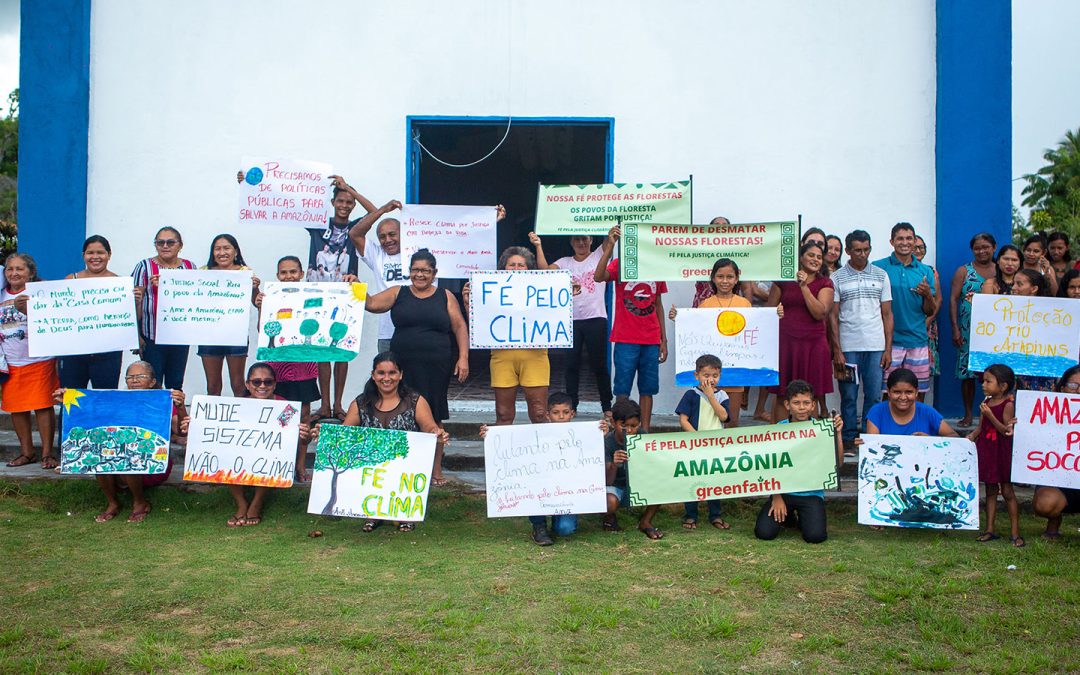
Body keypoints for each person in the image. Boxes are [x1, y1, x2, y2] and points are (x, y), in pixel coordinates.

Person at [365, 249, 469, 486]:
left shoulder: (445, 296)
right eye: (415, 270)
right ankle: (401, 468)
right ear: (409, 271)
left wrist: (463, 358)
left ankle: (436, 471)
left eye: (425, 271)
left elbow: (460, 327)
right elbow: (371, 304)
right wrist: (355, 287)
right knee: (400, 412)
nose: (419, 275)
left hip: (436, 365)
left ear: (434, 273)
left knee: (434, 414)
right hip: (403, 367)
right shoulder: (397, 293)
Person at [53, 360, 185, 523]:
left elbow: (180, 431)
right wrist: (69, 399)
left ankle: (139, 503)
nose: (134, 380)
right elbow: (89, 412)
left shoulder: (162, 401)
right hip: (117, 459)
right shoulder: (116, 400)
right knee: (100, 454)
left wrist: (181, 407)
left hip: (153, 463)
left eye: (140, 376)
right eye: (130, 377)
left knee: (128, 455)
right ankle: (112, 503)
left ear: (152, 382)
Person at [331, 351, 449, 532]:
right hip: (372, 468)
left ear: (401, 375)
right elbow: (345, 433)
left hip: (405, 469)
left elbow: (429, 427)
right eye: (381, 373)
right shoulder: (361, 403)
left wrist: (437, 433)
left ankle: (404, 513)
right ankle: (372, 513)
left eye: (392, 373)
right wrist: (325, 435)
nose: (387, 378)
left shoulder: (415, 401)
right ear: (373, 375)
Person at [181, 362, 310, 526]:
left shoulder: (286, 409)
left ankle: (257, 503)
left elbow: (287, 442)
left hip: (267, 457)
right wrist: (195, 426)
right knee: (229, 452)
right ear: (248, 385)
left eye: (268, 382)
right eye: (256, 382)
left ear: (274, 384)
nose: (262, 386)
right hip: (243, 456)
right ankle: (241, 504)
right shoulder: (238, 407)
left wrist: (303, 436)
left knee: (270, 454)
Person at [478, 391, 608, 545]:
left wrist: (601, 435)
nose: (561, 417)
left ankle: (558, 518)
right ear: (547, 415)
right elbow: (511, 443)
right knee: (533, 485)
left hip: (567, 493)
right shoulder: (536, 435)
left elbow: (592, 454)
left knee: (565, 529)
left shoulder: (583, 435)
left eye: (565, 412)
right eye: (555, 413)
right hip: (542, 490)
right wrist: (491, 435)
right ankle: (538, 524)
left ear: (572, 414)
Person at [669, 258, 784, 427]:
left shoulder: (744, 304)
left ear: (737, 279)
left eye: (730, 277)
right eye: (720, 276)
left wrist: (775, 316)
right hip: (710, 376)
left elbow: (756, 329)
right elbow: (695, 330)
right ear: (713, 279)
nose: (725, 281)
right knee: (708, 420)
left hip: (735, 375)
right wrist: (677, 319)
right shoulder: (705, 305)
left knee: (732, 420)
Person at [254, 256, 333, 482]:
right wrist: (262, 307)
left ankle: (300, 465)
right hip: (276, 372)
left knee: (303, 419)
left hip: (303, 371)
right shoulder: (270, 298)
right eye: (283, 272)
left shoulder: (313, 297)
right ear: (277, 275)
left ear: (301, 274)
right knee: (278, 418)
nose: (288, 276)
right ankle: (276, 463)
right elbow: (264, 329)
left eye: (292, 272)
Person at [464, 246, 550, 425]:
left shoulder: (543, 289)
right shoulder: (493, 290)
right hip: (502, 357)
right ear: (503, 268)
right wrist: (468, 303)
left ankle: (544, 452)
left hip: (535, 357)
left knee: (539, 413)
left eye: (521, 265)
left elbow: (555, 314)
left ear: (529, 269)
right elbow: (478, 324)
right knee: (503, 414)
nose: (517, 269)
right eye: (512, 265)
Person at [530, 231, 612, 415]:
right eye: (577, 239)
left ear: (591, 240)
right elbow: (544, 272)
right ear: (571, 242)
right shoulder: (565, 262)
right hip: (571, 320)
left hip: (596, 318)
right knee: (571, 365)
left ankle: (607, 406)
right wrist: (538, 245)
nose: (581, 242)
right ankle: (572, 406)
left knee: (599, 365)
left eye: (584, 238)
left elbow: (610, 237)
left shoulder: (599, 254)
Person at [594, 225, 667, 431]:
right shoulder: (620, 264)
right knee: (622, 389)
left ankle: (644, 431)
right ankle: (621, 430)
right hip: (626, 337)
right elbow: (598, 277)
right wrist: (610, 246)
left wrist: (664, 339)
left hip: (651, 339)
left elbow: (658, 303)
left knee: (648, 389)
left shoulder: (656, 266)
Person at [754, 380, 843, 544]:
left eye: (806, 403)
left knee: (815, 537)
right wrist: (777, 497)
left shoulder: (821, 429)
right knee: (764, 533)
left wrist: (837, 434)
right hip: (784, 492)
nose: (801, 407)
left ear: (813, 405)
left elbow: (839, 463)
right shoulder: (779, 430)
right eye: (796, 403)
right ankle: (788, 517)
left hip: (811, 494)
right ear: (787, 405)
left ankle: (803, 517)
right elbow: (770, 466)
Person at [830, 230, 893, 450]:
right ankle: (847, 439)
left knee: (874, 395)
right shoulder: (836, 277)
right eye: (857, 250)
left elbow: (887, 314)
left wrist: (888, 348)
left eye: (866, 249)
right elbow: (833, 316)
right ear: (847, 251)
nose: (862, 254)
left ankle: (869, 438)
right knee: (848, 395)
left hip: (876, 346)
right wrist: (837, 350)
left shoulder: (881, 275)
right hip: (848, 347)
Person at [1, 253, 60, 469]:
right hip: (10, 361)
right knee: (16, 407)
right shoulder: (0, 294)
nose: (14, 273)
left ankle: (47, 454)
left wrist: (29, 308)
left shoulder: (41, 292)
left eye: (20, 269)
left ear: (31, 272)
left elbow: (54, 320)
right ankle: (26, 452)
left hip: (39, 359)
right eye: (10, 269)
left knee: (43, 406)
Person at [767, 243, 834, 421]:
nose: (815, 260)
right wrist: (776, 312)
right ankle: (780, 436)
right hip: (786, 345)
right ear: (801, 258)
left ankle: (808, 440)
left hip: (813, 346)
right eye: (811, 255)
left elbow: (820, 312)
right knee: (783, 394)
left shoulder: (825, 283)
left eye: (819, 257)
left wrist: (804, 287)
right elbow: (768, 311)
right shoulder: (783, 281)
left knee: (808, 395)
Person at [873, 223, 936, 400]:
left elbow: (930, 310)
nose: (905, 242)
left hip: (917, 340)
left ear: (914, 241)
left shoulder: (925, 271)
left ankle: (916, 428)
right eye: (900, 238)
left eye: (909, 238)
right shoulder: (878, 268)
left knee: (917, 392)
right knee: (888, 392)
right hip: (888, 342)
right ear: (892, 241)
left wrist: (927, 295)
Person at [131, 226, 197, 390]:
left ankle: (174, 415)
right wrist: (135, 336)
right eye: (160, 242)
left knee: (176, 383)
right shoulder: (144, 267)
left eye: (170, 242)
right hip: (151, 337)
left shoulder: (190, 267)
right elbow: (132, 304)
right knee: (152, 383)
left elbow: (195, 300)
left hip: (180, 337)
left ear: (180, 245)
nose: (165, 246)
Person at [966, 364, 1022, 547]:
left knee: (1007, 491)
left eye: (988, 381)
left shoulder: (1008, 405)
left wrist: (990, 415)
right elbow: (982, 428)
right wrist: (972, 436)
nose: (983, 384)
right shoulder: (986, 402)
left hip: (1001, 451)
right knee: (990, 489)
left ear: (1003, 386)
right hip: (988, 449)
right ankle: (990, 529)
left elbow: (1005, 430)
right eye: (983, 380)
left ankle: (1015, 533)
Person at [59, 236, 125, 390]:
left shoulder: (120, 284)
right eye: (90, 253)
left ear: (109, 255)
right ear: (83, 255)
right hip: (74, 350)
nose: (95, 257)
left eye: (100, 253)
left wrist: (136, 300)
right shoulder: (70, 280)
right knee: (72, 398)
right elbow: (60, 314)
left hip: (108, 352)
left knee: (105, 399)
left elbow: (127, 319)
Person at [197, 234, 259, 397]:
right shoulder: (203, 272)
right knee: (212, 385)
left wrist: (255, 289)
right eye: (217, 249)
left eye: (226, 248)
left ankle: (240, 419)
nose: (222, 252)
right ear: (212, 252)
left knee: (238, 384)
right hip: (209, 334)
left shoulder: (245, 272)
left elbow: (255, 302)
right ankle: (212, 420)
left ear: (235, 252)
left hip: (235, 334)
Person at [676, 354, 731, 530]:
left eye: (714, 376)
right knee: (693, 479)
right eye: (706, 375)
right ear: (696, 375)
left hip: (716, 446)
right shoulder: (691, 394)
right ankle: (690, 515)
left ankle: (715, 515)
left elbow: (724, 416)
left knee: (714, 480)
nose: (710, 379)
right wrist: (697, 438)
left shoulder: (722, 395)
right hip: (694, 445)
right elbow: (683, 420)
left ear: (720, 376)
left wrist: (711, 396)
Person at [949, 232, 997, 426]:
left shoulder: (1000, 270)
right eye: (977, 248)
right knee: (967, 374)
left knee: (995, 373)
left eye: (986, 247)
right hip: (968, 331)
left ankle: (992, 414)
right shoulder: (964, 271)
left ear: (994, 247)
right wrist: (955, 329)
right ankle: (968, 413)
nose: (981, 251)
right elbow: (953, 299)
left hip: (995, 332)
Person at [602, 398, 664, 539]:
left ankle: (645, 521)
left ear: (640, 424)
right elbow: (607, 481)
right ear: (613, 423)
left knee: (662, 486)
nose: (629, 430)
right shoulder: (607, 443)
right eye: (624, 426)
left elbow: (654, 466)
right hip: (615, 487)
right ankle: (609, 517)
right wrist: (614, 464)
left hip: (637, 484)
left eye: (633, 426)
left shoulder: (643, 438)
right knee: (609, 503)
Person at [1032, 365, 1080, 541]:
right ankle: (1054, 522)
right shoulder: (1043, 413)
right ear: (1062, 388)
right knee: (1045, 504)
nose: (1078, 392)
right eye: (1073, 386)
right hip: (1057, 479)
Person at [865, 368, 959, 436]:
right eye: (897, 392)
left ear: (917, 392)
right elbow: (872, 445)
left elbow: (955, 438)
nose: (903, 397)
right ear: (888, 392)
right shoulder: (876, 412)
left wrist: (930, 442)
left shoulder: (927, 412)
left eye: (908, 392)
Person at [1008, 269, 1057, 393]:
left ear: (1034, 289)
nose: (1013, 287)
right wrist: (976, 302)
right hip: (1014, 365)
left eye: (1019, 284)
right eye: (1013, 283)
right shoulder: (1004, 307)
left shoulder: (1052, 311)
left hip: (1041, 369)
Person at [912, 235, 942, 380]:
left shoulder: (931, 271)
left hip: (926, 326)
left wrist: (927, 322)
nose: (918, 250)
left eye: (921, 247)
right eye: (915, 247)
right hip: (908, 326)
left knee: (922, 374)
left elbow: (938, 299)